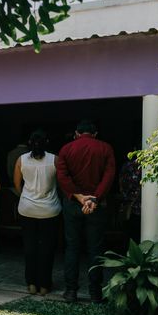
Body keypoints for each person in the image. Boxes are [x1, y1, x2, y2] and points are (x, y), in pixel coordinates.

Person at [56, 120, 116, 303]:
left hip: (74, 204)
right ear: (95, 133)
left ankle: (71, 291)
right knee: (95, 249)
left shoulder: (66, 149)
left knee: (72, 247)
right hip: (96, 205)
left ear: (76, 133)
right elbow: (109, 175)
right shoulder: (105, 148)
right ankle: (95, 292)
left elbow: (62, 177)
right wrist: (94, 198)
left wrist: (78, 196)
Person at [13, 130, 61, 296]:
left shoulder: (21, 160)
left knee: (29, 247)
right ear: (46, 142)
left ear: (29, 143)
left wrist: (27, 197)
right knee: (47, 248)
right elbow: (61, 183)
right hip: (50, 210)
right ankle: (45, 285)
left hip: (27, 209)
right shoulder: (54, 159)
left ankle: (31, 283)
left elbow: (17, 184)